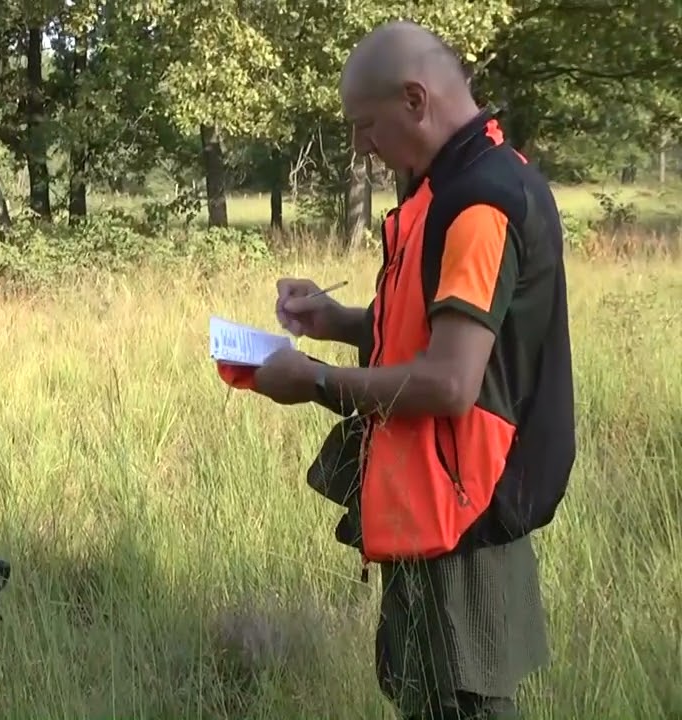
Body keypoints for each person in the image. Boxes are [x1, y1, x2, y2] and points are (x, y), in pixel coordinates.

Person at [251, 20, 576, 720]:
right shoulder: (449, 187)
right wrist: (335, 321)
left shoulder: (480, 204)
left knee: (460, 704)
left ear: (415, 99)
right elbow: (433, 334)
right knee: (420, 695)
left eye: (365, 126)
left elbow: (451, 382)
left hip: (466, 515)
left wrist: (311, 380)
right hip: (434, 501)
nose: (362, 146)